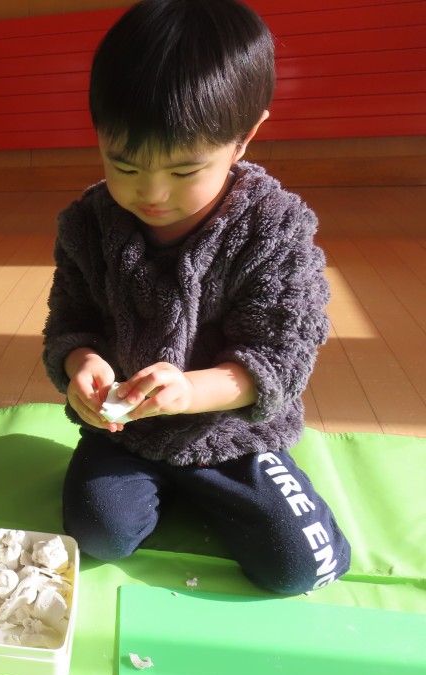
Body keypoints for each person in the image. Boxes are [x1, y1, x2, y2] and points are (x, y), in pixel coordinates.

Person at [42, 0, 350, 594]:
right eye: (123, 165)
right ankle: (171, 491)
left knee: (299, 567)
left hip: (231, 433)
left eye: (184, 172)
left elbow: (279, 360)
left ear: (244, 137)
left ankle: (216, 490)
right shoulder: (87, 225)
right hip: (130, 433)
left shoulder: (273, 230)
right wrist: (83, 364)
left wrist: (190, 392)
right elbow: (70, 321)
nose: (152, 193)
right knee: (96, 535)